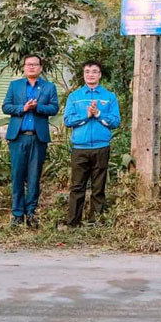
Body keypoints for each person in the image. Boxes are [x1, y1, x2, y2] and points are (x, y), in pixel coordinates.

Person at [2, 54, 60, 228]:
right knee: (17, 175)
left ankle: (31, 213)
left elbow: (54, 108)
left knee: (34, 176)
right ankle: (17, 214)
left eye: (35, 64)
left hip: (38, 137)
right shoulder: (15, 85)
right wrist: (23, 108)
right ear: (24, 67)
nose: (31, 67)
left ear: (41, 67)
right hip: (18, 137)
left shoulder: (48, 87)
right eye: (28, 65)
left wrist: (37, 108)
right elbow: (6, 106)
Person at [63, 60, 121, 227]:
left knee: (98, 187)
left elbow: (115, 121)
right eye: (87, 71)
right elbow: (68, 120)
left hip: (101, 147)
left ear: (100, 75)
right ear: (83, 74)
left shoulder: (109, 97)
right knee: (77, 187)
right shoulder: (75, 96)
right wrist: (86, 115)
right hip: (79, 148)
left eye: (94, 71)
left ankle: (95, 222)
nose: (91, 74)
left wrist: (98, 114)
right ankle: (73, 222)